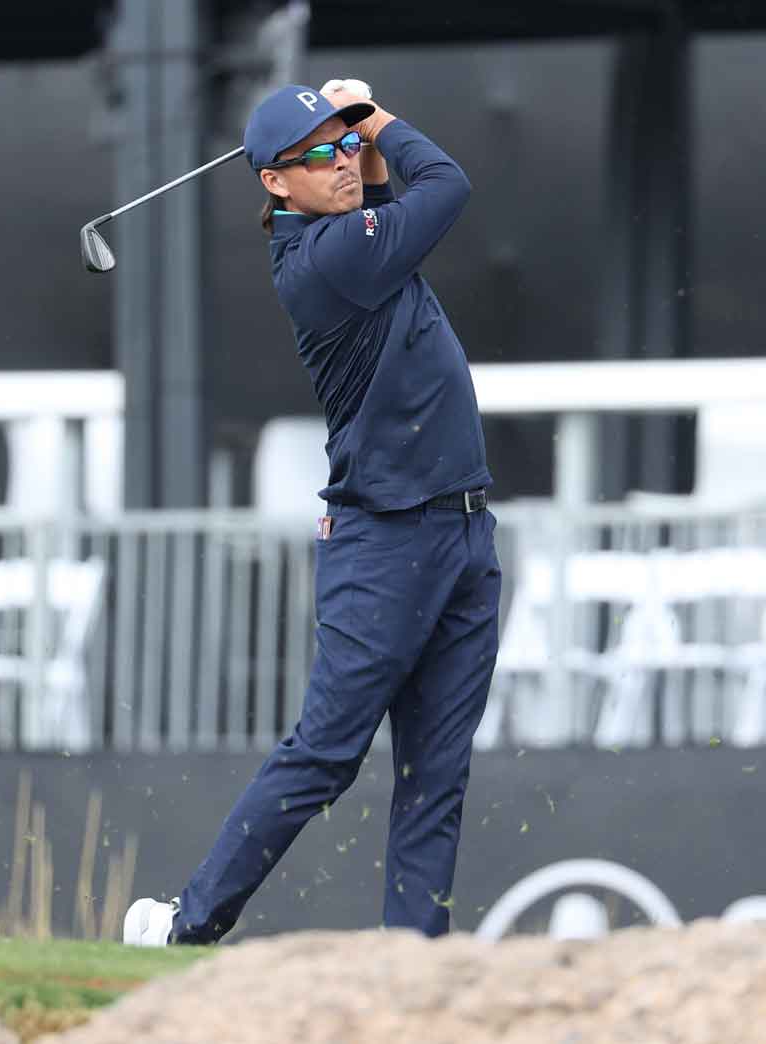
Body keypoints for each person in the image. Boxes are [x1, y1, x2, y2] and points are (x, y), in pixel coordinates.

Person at [123, 78, 501, 946]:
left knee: (436, 772)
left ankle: (411, 959)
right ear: (274, 183)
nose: (340, 160)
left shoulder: (353, 232)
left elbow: (373, 191)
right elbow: (446, 185)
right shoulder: (327, 263)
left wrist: (353, 138)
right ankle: (191, 921)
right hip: (386, 540)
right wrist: (375, 117)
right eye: (318, 152)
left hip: (462, 530)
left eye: (341, 144)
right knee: (327, 754)